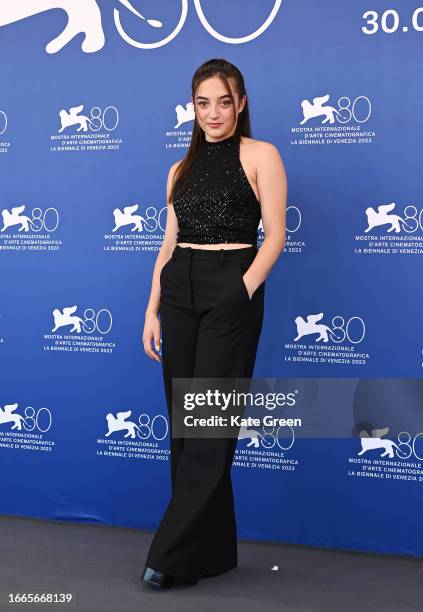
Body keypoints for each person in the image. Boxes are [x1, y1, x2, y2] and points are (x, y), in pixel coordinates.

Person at [141, 58, 287, 588]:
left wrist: (241, 289)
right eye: (203, 102)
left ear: (241, 103)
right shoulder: (179, 170)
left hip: (233, 279)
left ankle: (171, 554)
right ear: (193, 107)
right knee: (186, 426)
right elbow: (168, 243)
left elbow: (274, 236)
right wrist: (152, 308)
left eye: (223, 101)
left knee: (209, 425)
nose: (213, 113)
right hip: (180, 286)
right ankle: (215, 550)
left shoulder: (261, 155)